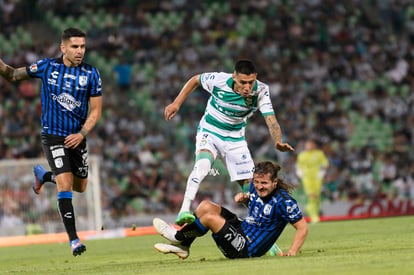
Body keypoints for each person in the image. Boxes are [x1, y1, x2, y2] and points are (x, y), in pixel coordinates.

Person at [0, 27, 103, 256]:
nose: (79, 51)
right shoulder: (48, 66)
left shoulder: (92, 74)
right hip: (53, 135)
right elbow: (13, 75)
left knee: (80, 186)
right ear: (63, 47)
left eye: (83, 47)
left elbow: (96, 112)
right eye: (75, 47)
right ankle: (74, 240)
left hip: (77, 137)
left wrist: (82, 133)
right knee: (65, 185)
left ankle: (43, 175)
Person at [164, 59, 294, 225]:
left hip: (235, 139)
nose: (247, 87)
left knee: (250, 187)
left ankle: (259, 227)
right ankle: (184, 209)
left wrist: (278, 141)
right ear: (234, 77)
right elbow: (196, 79)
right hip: (210, 131)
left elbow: (271, 119)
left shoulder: (261, 90)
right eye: (242, 82)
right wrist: (176, 103)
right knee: (203, 165)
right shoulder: (219, 80)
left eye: (250, 82)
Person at [152, 161, 308, 259]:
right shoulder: (255, 188)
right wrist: (246, 199)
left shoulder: (284, 202)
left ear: (274, 182)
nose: (259, 186)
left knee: (209, 218)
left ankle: (178, 237)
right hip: (242, 228)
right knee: (206, 206)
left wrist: (293, 250)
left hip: (246, 248)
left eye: (264, 183)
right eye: (257, 182)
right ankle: (184, 246)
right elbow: (258, 211)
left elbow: (302, 227)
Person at [295, 139, 329, 223]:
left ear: (314, 145)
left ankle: (315, 213)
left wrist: (323, 172)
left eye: (310, 144)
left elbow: (325, 164)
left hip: (317, 178)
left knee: (317, 197)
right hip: (307, 178)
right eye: (307, 144)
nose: (308, 146)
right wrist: (299, 172)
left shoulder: (319, 154)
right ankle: (314, 217)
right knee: (312, 196)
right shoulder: (302, 155)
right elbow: (298, 165)